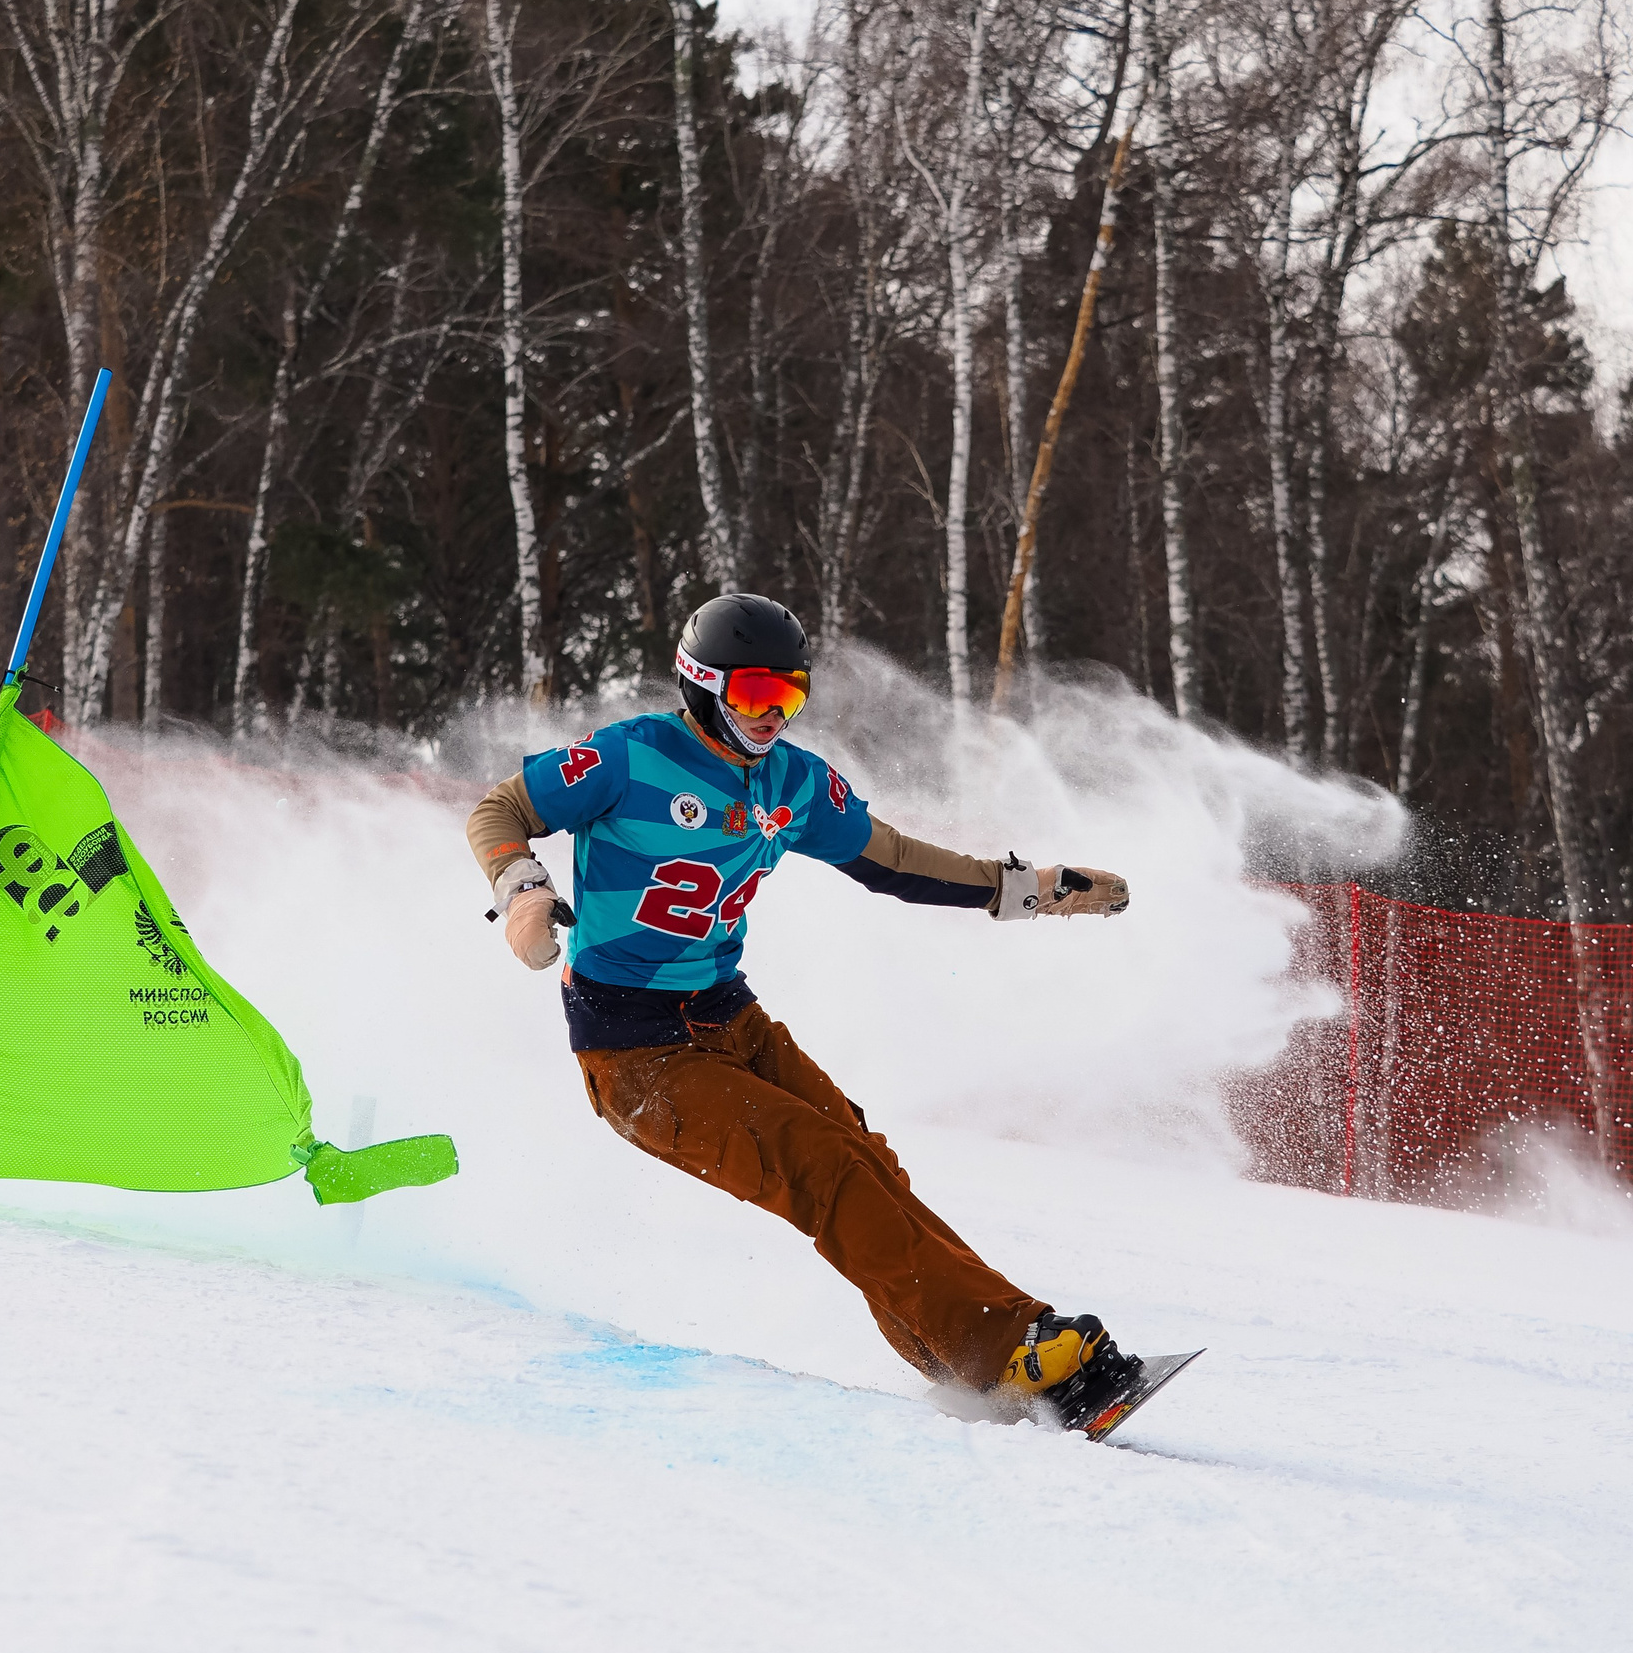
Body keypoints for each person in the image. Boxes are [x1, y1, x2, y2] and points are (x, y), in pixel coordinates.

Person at [466, 592, 1147, 1428]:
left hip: (728, 1017)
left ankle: (967, 1362)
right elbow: (501, 808)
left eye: (788, 696)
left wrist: (1027, 891)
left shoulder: (791, 779)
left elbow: (891, 859)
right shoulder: (629, 758)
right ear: (702, 684)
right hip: (637, 1051)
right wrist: (525, 890)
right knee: (823, 1165)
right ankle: (1008, 1346)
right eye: (754, 695)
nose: (771, 717)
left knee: (866, 1157)